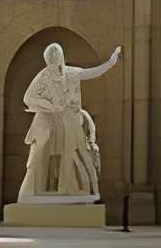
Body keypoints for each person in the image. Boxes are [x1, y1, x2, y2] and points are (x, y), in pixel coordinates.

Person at [16, 41, 121, 200]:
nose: (55, 68)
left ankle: (71, 189)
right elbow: (28, 97)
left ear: (62, 60)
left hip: (68, 121)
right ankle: (29, 192)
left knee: (71, 153)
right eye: (51, 63)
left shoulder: (71, 73)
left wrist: (111, 63)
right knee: (38, 154)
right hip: (47, 120)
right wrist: (49, 105)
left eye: (57, 62)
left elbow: (93, 72)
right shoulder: (43, 76)